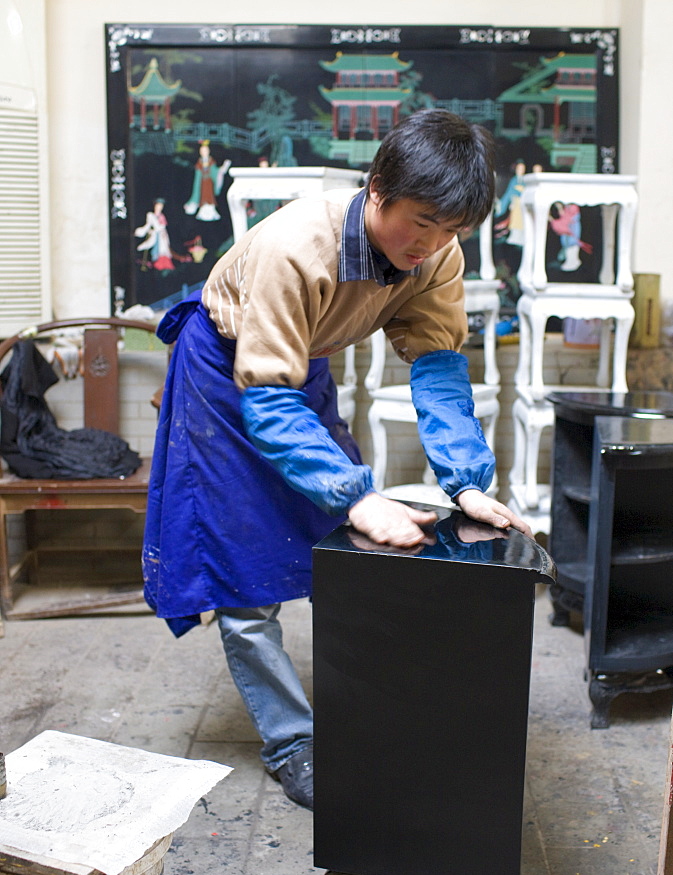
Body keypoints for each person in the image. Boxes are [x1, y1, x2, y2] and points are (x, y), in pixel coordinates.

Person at [142, 109, 532, 811]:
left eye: (452, 230)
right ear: (376, 187)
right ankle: (292, 743)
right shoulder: (295, 247)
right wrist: (357, 493)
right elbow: (266, 396)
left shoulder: (437, 253)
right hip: (229, 378)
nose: (432, 244)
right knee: (243, 575)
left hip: (301, 371)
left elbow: (438, 369)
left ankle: (364, 711)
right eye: (420, 221)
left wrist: (466, 483)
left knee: (345, 552)